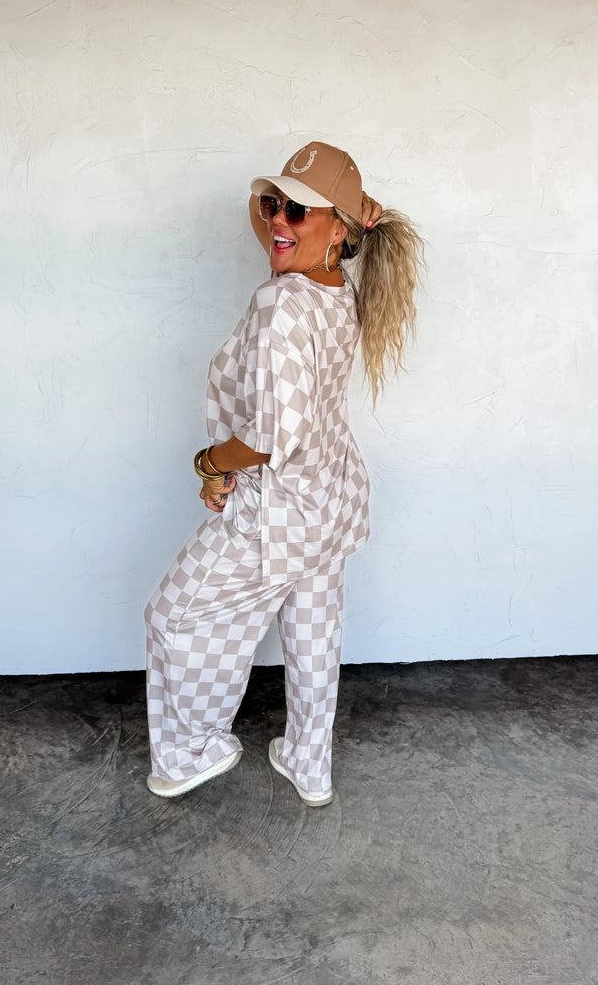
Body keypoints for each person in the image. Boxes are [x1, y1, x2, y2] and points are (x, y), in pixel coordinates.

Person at [144, 141, 423, 806]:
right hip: (329, 498)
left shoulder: (281, 305)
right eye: (273, 203)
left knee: (173, 617)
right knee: (312, 636)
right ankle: (308, 763)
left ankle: (192, 752)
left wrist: (209, 463)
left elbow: (270, 438)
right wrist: (324, 208)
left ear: (338, 230)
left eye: (297, 210)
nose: (275, 219)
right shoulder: (336, 290)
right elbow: (279, 229)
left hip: (274, 509)